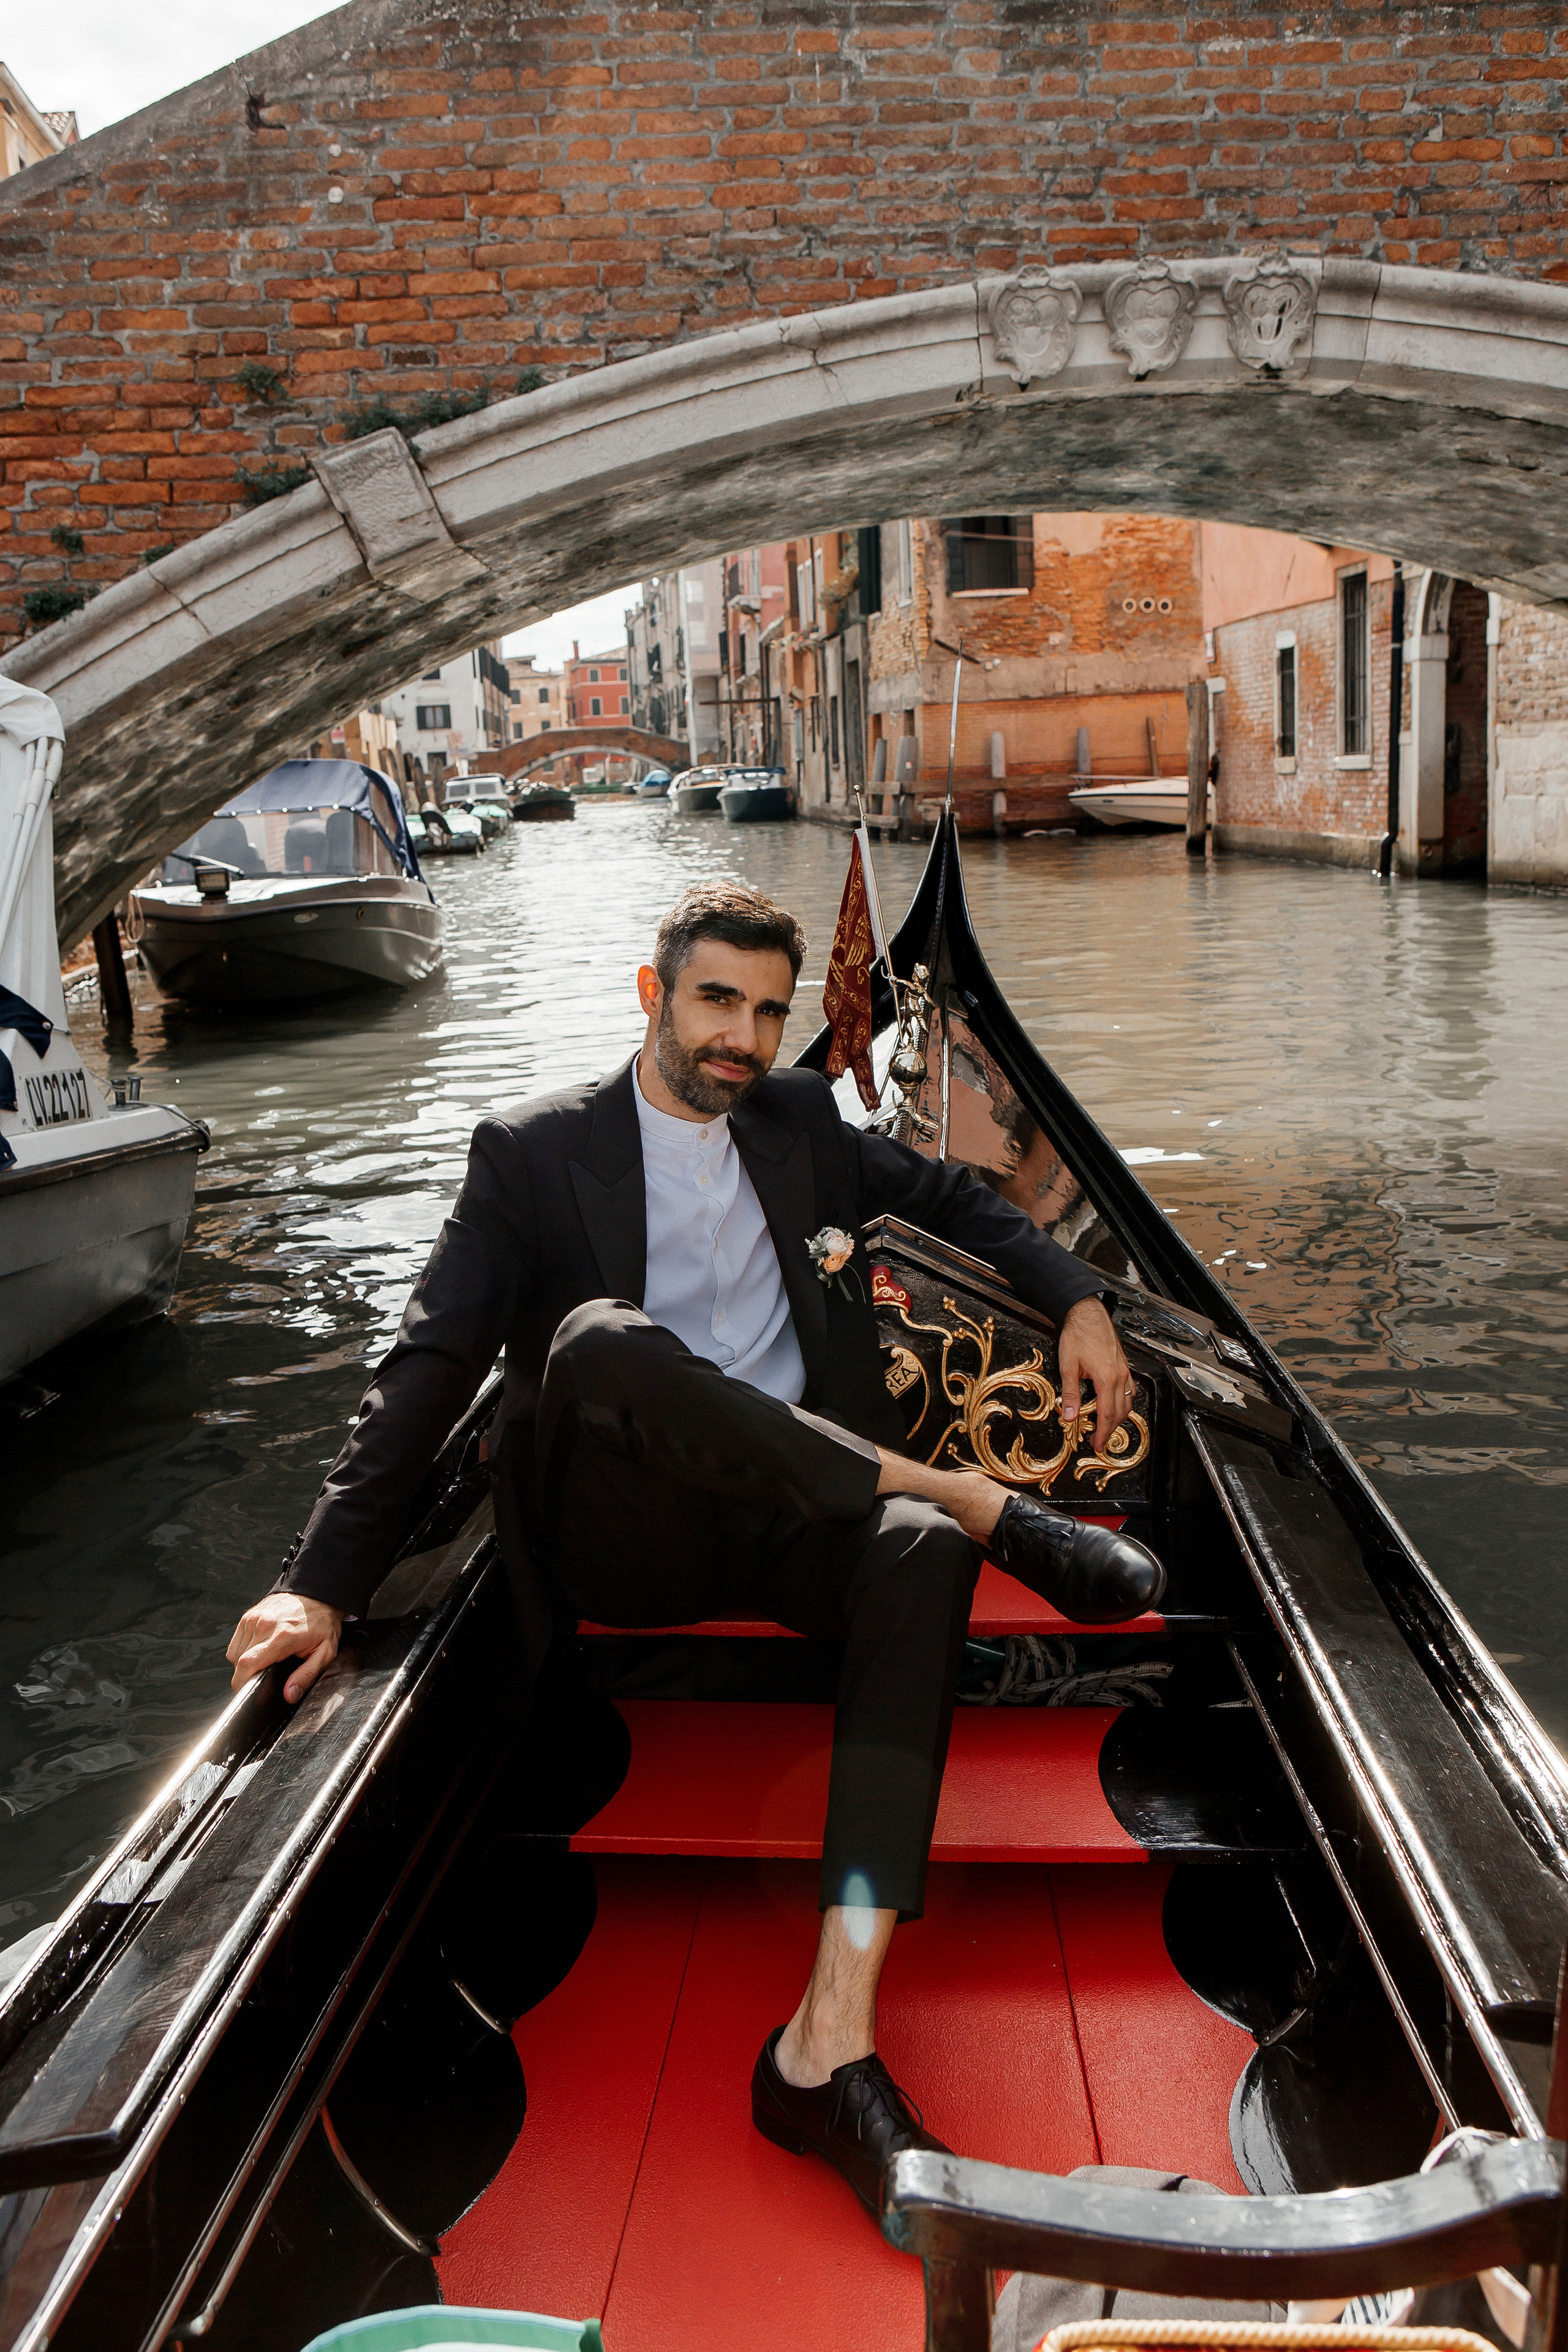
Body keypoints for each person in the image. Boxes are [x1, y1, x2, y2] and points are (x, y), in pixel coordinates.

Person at [224, 879, 1161, 2217]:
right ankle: (966, 1493)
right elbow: (428, 1364)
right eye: (717, 999)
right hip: (631, 1530)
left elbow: (958, 1199)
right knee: (599, 1340)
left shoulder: (796, 1120)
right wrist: (320, 1584)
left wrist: (1079, 1299)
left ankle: (824, 2041)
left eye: (769, 1012)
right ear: (652, 992)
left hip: (800, 1520)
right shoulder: (532, 1151)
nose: (743, 1036)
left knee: (914, 1553)